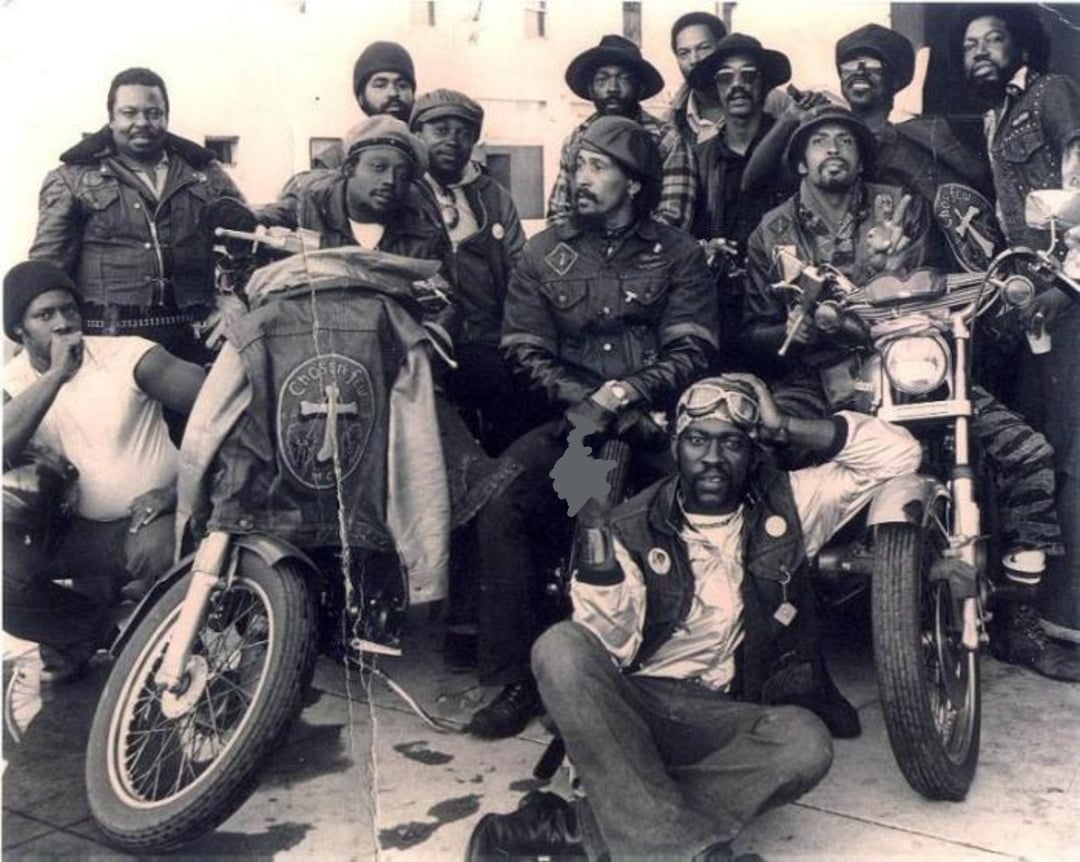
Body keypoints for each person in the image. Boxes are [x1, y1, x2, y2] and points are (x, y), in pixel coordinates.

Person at [466, 374, 923, 861]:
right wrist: (595, 530)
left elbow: (898, 455)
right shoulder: (631, 524)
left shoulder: (791, 504)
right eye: (697, 440)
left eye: (731, 443)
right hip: (636, 707)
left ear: (753, 452)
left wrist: (784, 425)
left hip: (718, 711)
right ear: (676, 447)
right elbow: (608, 646)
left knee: (805, 742)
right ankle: (688, 850)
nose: (712, 457)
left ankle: (577, 826)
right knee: (560, 647)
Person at [743, 104, 1069, 678]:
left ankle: (1018, 619)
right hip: (816, 378)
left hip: (910, 361)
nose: (834, 150)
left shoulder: (902, 207)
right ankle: (782, 625)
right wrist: (802, 326)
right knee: (765, 458)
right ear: (799, 162)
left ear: (861, 155)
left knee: (1026, 453)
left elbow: (931, 283)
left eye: (845, 140)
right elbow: (751, 333)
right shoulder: (772, 232)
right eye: (819, 142)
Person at [466, 116, 719, 739]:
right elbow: (525, 351)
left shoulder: (679, 253)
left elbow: (692, 347)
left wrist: (632, 393)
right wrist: (596, 402)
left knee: (724, 502)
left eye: (598, 167)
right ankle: (519, 676)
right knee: (505, 503)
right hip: (579, 430)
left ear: (635, 184)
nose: (581, 178)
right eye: (577, 166)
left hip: (658, 427)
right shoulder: (543, 251)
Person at [3, 260, 205, 683]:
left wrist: (174, 491)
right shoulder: (13, 381)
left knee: (162, 553)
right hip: (75, 532)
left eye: (69, 310)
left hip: (145, 523)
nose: (63, 324)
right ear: (19, 330)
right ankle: (102, 634)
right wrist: (57, 376)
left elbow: (219, 407)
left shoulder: (128, 354)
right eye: (45, 316)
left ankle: (175, 648)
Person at [956, 4, 1080, 679]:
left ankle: (1065, 619)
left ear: (1020, 43)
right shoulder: (992, 116)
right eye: (969, 44)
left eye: (992, 39)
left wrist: (1071, 281)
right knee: (1043, 443)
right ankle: (1033, 610)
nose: (979, 52)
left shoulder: (1052, 94)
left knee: (1072, 444)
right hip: (1030, 292)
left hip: (1067, 291)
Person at [29, 67, 244, 365]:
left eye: (153, 113)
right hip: (107, 341)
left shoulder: (206, 174)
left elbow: (250, 239)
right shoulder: (71, 179)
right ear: (111, 118)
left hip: (196, 336)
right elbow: (46, 270)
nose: (142, 122)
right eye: (129, 113)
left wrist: (236, 299)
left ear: (166, 117)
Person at [409, 88, 536, 454]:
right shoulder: (404, 190)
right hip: (424, 340)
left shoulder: (493, 196)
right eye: (440, 129)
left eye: (464, 132)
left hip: (486, 339)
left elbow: (519, 269)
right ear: (417, 134)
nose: (453, 140)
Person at [690, 34, 794, 369]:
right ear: (716, 89)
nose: (737, 86)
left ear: (764, 85)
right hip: (721, 310)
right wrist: (703, 250)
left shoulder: (794, 149)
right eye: (725, 78)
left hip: (784, 309)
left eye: (748, 76)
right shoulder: (698, 159)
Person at [546, 34, 696, 231]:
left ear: (640, 87)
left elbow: (672, 220)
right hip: (586, 255)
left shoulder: (667, 141)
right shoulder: (577, 140)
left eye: (623, 79)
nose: (612, 89)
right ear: (590, 89)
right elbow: (558, 216)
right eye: (602, 79)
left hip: (650, 257)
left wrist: (620, 251)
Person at [313, 41, 417, 170]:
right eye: (380, 85)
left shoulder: (431, 156)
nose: (393, 93)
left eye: (402, 85)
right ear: (361, 97)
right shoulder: (335, 160)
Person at [666, 11, 729, 147]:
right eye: (684, 53)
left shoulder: (769, 104)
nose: (694, 60)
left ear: (723, 49)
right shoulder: (670, 123)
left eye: (703, 48)